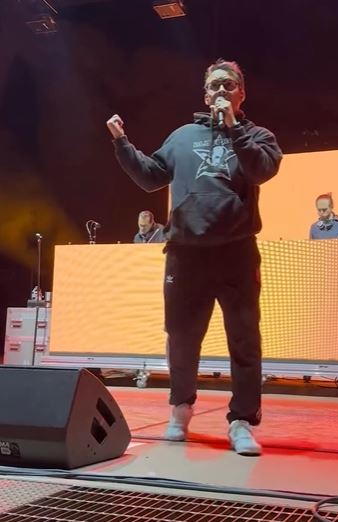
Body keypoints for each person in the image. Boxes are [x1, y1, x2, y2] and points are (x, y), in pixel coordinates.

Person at [106, 58, 283, 456]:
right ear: (205, 95)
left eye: (228, 84)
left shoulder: (259, 136)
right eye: (214, 85)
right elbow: (151, 176)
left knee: (244, 339)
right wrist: (122, 143)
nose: (221, 90)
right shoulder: (182, 136)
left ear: (241, 93)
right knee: (182, 337)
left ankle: (241, 420)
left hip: (236, 253)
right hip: (186, 254)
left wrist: (234, 128)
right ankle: (181, 409)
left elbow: (260, 171)